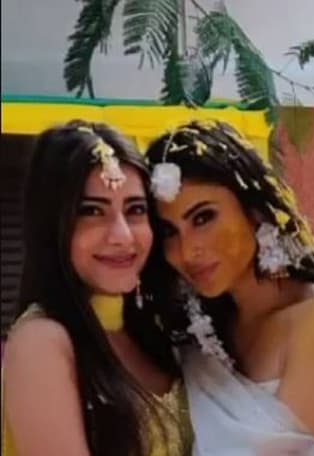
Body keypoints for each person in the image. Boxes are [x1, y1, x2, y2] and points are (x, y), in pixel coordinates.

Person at [144, 120, 314, 456]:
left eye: (203, 218)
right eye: (168, 232)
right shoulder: (201, 335)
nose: (187, 251)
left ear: (255, 212)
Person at [1, 120, 192, 456]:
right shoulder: (42, 342)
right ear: (53, 224)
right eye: (91, 211)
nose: (122, 236)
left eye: (135, 210)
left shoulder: (154, 328)